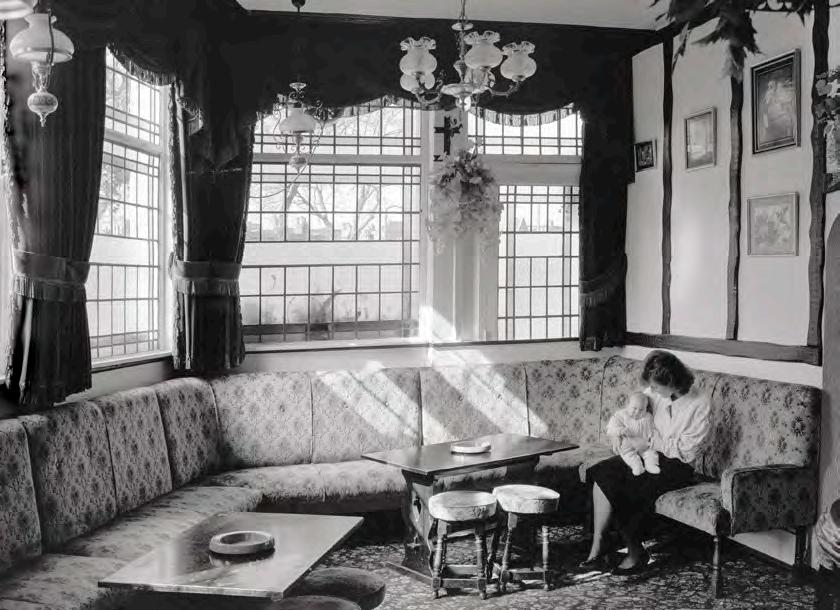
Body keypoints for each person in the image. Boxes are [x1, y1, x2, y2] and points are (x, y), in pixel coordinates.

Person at [580, 350, 712, 574]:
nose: (652, 391)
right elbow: (628, 414)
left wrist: (650, 441)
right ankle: (599, 544)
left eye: (657, 387)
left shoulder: (700, 403)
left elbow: (687, 451)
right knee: (603, 471)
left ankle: (635, 550)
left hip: (678, 464)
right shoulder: (655, 392)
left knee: (631, 484)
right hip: (646, 452)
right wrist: (617, 433)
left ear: (672, 382)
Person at [605, 391, 659, 476]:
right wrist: (620, 430)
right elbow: (611, 427)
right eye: (634, 408)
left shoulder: (648, 417)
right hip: (627, 446)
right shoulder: (621, 415)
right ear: (628, 405)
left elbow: (653, 430)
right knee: (627, 455)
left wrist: (652, 438)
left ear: (646, 408)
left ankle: (651, 465)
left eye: (641, 410)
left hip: (643, 444)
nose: (637, 412)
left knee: (651, 452)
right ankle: (637, 466)